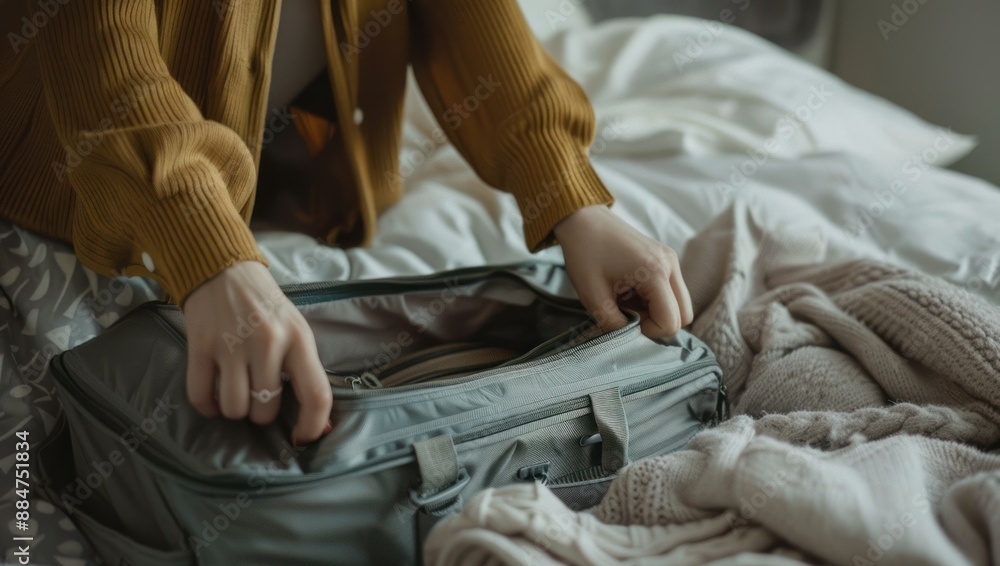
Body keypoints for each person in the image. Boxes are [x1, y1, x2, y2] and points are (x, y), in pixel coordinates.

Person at [0, 0, 692, 446]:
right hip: (75, 188)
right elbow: (102, 54)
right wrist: (205, 249)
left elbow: (475, 24)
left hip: (308, 182)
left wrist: (573, 200)